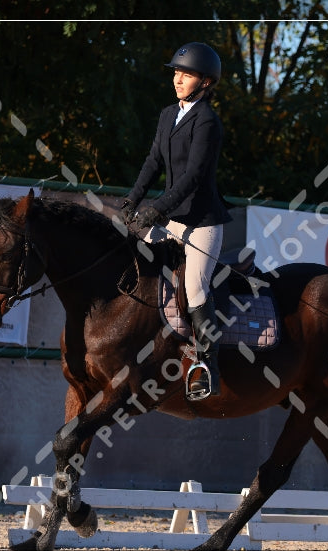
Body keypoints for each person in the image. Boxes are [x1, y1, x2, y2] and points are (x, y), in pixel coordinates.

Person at [123, 41, 231, 401]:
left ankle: (206, 367)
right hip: (171, 219)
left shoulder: (208, 122)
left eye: (186, 74)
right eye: (176, 72)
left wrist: (157, 209)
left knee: (195, 288)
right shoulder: (169, 114)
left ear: (205, 82)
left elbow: (193, 177)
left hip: (202, 222)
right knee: (138, 270)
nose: (177, 79)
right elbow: (154, 161)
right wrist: (133, 199)